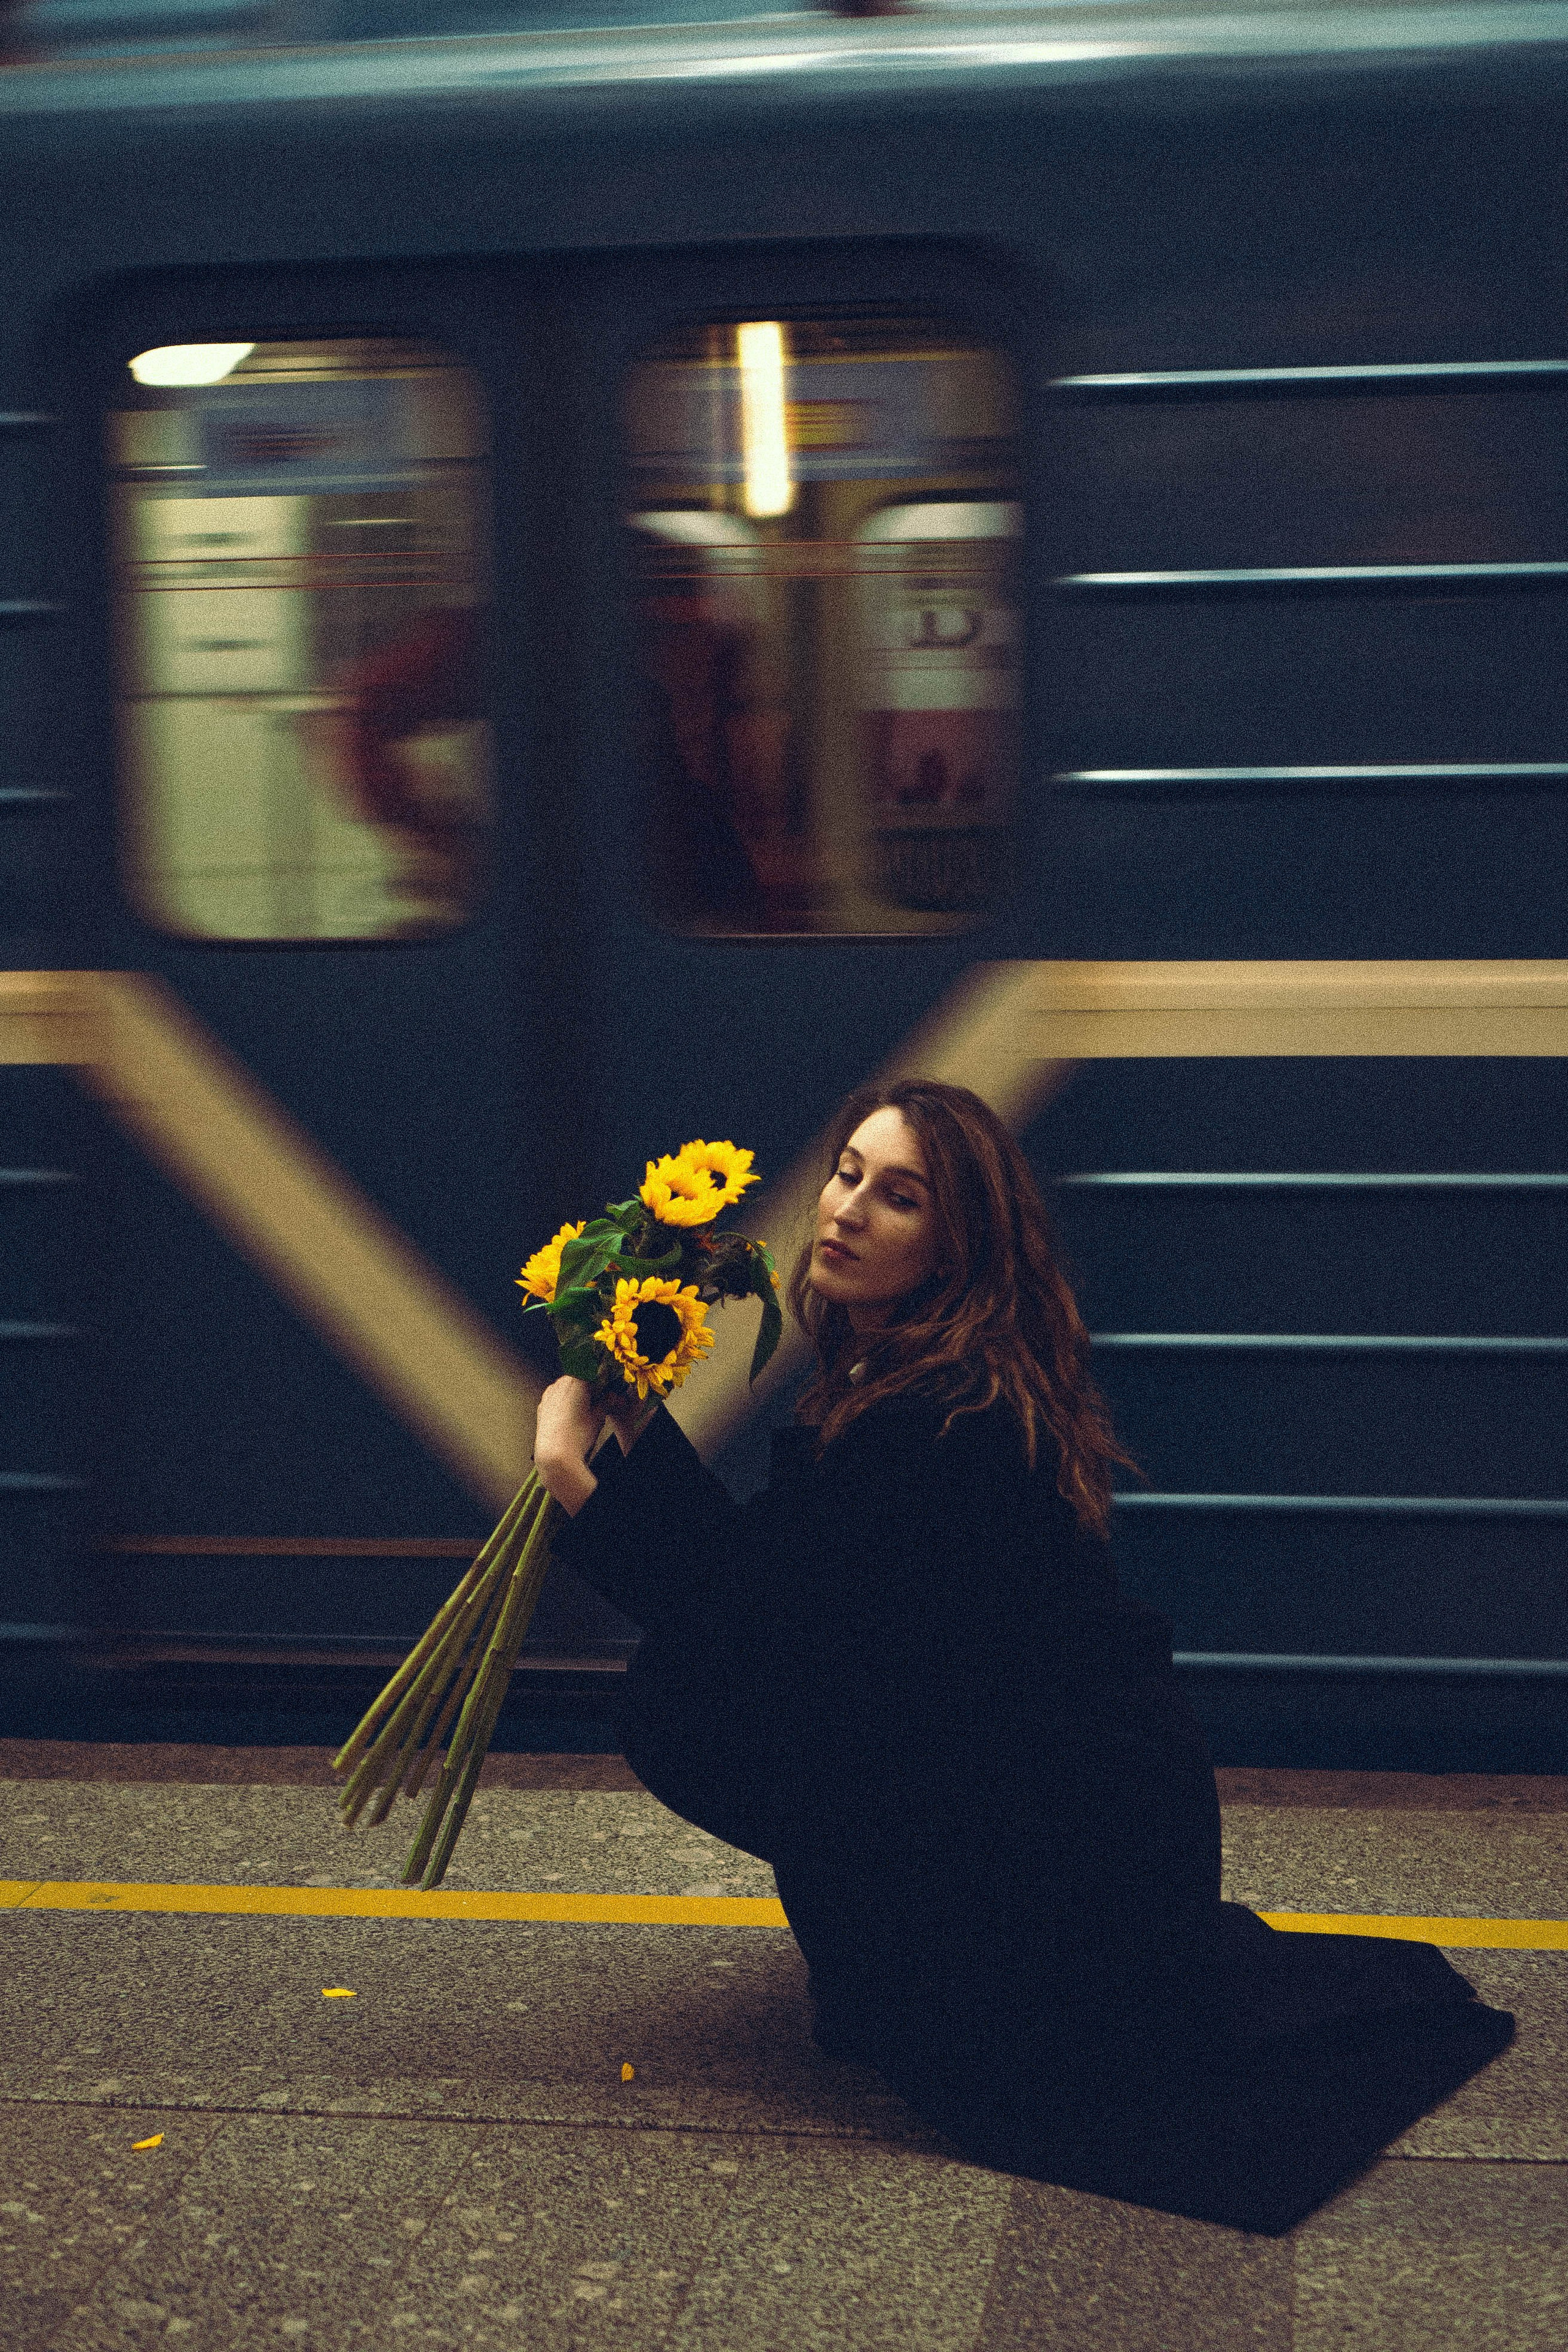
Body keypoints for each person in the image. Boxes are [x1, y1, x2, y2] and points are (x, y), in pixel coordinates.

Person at [533, 1079, 1515, 2235]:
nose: (845, 1209)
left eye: (899, 1197)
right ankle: (891, 1962)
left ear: (958, 1245)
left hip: (1054, 1862)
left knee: (696, 1695)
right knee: (701, 1685)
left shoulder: (942, 1420)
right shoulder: (918, 1371)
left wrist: (573, 1474)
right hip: (1062, 1806)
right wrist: (637, 1426)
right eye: (848, 1174)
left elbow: (771, 1629)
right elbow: (783, 1584)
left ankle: (922, 1974)